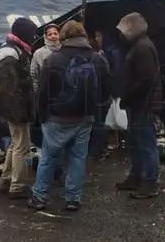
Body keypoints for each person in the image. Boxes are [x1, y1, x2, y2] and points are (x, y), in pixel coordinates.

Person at [29, 20, 110, 211]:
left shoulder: (54, 59)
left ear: (63, 36)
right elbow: (107, 90)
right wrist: (93, 108)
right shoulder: (97, 58)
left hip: (56, 118)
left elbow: (42, 92)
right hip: (84, 118)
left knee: (48, 157)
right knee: (77, 158)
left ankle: (40, 197)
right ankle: (73, 198)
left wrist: (41, 115)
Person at [114, 13, 162, 199]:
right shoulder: (141, 45)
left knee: (146, 144)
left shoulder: (142, 48)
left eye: (124, 29)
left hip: (143, 105)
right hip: (139, 104)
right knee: (137, 143)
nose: (121, 34)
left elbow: (146, 79)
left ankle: (149, 183)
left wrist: (127, 96)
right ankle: (136, 177)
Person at [0, 17, 39, 198]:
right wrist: (20, 112)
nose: (33, 37)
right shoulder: (10, 53)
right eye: (31, 34)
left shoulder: (13, 49)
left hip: (14, 107)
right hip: (16, 108)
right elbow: (11, 88)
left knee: (15, 144)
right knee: (23, 146)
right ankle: (18, 186)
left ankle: (6, 181)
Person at [30, 23, 65, 183]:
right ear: (45, 37)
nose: (52, 36)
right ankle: (53, 171)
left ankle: (57, 170)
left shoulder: (65, 51)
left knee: (60, 139)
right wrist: (38, 94)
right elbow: (33, 75)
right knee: (48, 139)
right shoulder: (39, 53)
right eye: (49, 34)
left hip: (63, 101)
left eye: (55, 33)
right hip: (45, 100)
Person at [88, 30, 111, 159]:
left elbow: (103, 79)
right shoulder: (101, 57)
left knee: (97, 126)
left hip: (98, 99)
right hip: (102, 99)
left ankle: (94, 153)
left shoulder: (95, 59)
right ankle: (95, 152)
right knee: (99, 125)